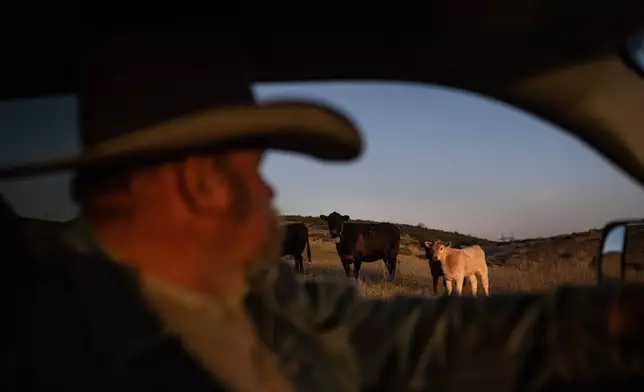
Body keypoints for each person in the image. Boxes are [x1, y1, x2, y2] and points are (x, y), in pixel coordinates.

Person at [3, 32, 644, 392]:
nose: (270, 200)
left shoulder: (273, 300)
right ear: (202, 185)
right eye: (256, 176)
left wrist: (617, 317)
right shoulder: (48, 350)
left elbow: (419, 344)